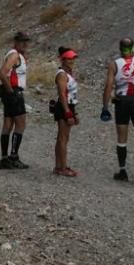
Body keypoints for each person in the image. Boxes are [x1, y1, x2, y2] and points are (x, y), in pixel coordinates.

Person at [101, 37, 134, 183]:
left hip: (122, 102)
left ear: (120, 49)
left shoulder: (115, 65)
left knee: (122, 138)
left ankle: (123, 170)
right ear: (133, 48)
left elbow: (109, 86)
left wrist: (105, 107)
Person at [0, 31, 30, 170]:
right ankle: (13, 156)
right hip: (14, 91)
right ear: (16, 42)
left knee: (8, 123)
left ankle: (5, 158)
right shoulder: (14, 55)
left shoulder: (15, 54)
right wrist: (11, 92)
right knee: (20, 124)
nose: (25, 44)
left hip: (9, 91)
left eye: (26, 42)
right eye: (22, 41)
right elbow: (2, 73)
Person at [52, 47, 80, 176]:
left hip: (69, 106)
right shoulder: (62, 74)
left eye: (73, 58)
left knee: (62, 138)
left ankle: (59, 166)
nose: (72, 60)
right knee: (63, 138)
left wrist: (74, 112)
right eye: (69, 58)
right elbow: (62, 94)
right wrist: (68, 113)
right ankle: (63, 167)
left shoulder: (68, 72)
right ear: (63, 59)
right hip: (64, 106)